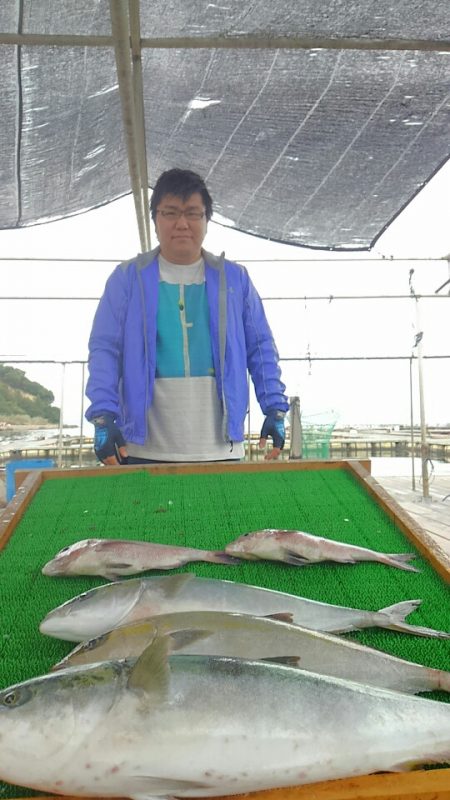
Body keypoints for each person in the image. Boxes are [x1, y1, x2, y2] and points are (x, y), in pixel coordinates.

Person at [85, 168, 289, 466]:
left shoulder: (236, 279)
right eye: (170, 212)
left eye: (193, 213)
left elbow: (261, 348)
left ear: (207, 220)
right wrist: (103, 416)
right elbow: (104, 349)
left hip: (222, 450)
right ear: (155, 219)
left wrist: (275, 408)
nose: (182, 223)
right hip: (143, 449)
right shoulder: (126, 279)